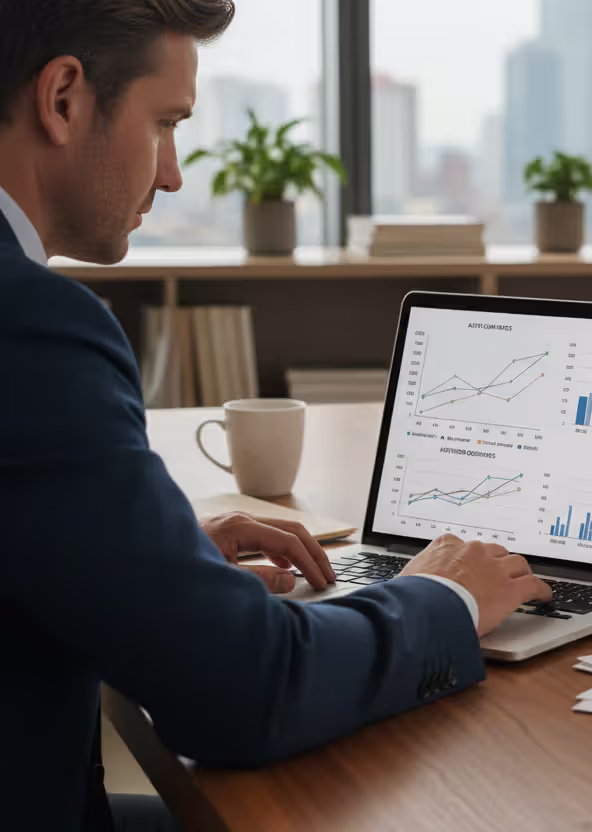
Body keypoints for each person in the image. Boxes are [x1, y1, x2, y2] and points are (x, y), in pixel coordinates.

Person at [0, 2, 551, 830]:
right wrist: (442, 598)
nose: (173, 173)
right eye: (166, 124)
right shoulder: (32, 326)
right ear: (65, 98)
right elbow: (243, 694)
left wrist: (151, 557)